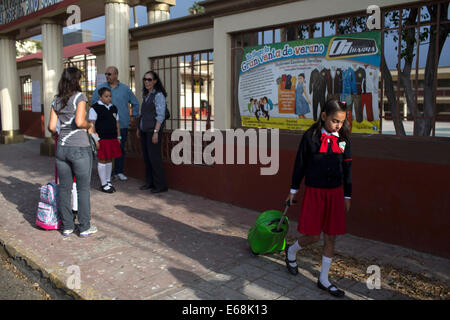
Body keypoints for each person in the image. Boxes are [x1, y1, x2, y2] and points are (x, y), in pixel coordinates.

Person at [285, 99, 352, 298]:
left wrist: (347, 195)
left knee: (331, 236)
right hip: (315, 192)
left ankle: (324, 279)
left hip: (336, 193)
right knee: (313, 235)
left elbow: (347, 169)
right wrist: (293, 190)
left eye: (341, 121)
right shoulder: (310, 137)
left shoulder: (343, 139)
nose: (338, 125)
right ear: (323, 116)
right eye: (334, 120)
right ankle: (291, 251)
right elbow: (300, 165)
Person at [47, 67, 97, 237]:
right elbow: (79, 121)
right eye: (80, 79)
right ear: (76, 81)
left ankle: (67, 226)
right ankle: (84, 227)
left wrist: (61, 134)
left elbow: (51, 127)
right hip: (80, 148)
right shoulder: (80, 97)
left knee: (64, 188)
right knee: (83, 189)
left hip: (62, 149)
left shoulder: (56, 101)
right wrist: (89, 125)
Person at [92, 66, 139, 181]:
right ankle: (106, 175)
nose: (107, 76)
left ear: (116, 75)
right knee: (105, 150)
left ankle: (118, 171)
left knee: (120, 149)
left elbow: (135, 103)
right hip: (103, 128)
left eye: (109, 74)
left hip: (121, 125)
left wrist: (133, 117)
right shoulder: (100, 88)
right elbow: (93, 105)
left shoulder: (125, 89)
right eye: (106, 74)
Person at [136, 71, 169, 193]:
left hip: (153, 131)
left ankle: (161, 185)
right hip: (145, 130)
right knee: (147, 158)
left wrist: (156, 131)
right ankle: (150, 183)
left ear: (155, 81)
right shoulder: (146, 95)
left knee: (154, 158)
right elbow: (142, 114)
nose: (146, 82)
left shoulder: (158, 95)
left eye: (149, 79)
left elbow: (160, 115)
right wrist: (139, 128)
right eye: (145, 79)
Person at [89, 87, 122, 194]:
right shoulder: (95, 108)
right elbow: (92, 124)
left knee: (109, 159)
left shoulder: (114, 108)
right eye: (106, 96)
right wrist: (96, 139)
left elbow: (117, 123)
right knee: (102, 159)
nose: (109, 98)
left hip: (112, 137)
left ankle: (108, 181)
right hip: (102, 139)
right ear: (100, 97)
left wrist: (119, 136)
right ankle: (103, 184)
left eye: (110, 96)